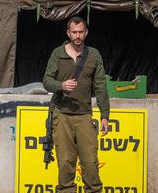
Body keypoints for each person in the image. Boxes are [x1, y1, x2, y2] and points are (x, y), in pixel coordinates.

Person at [42, 16, 110, 193]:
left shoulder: (93, 55)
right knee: (65, 165)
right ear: (68, 33)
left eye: (81, 32)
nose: (77, 36)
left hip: (84, 115)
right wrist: (61, 86)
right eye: (74, 32)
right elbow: (47, 81)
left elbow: (101, 86)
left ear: (86, 33)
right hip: (62, 115)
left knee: (90, 164)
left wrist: (104, 115)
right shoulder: (58, 53)